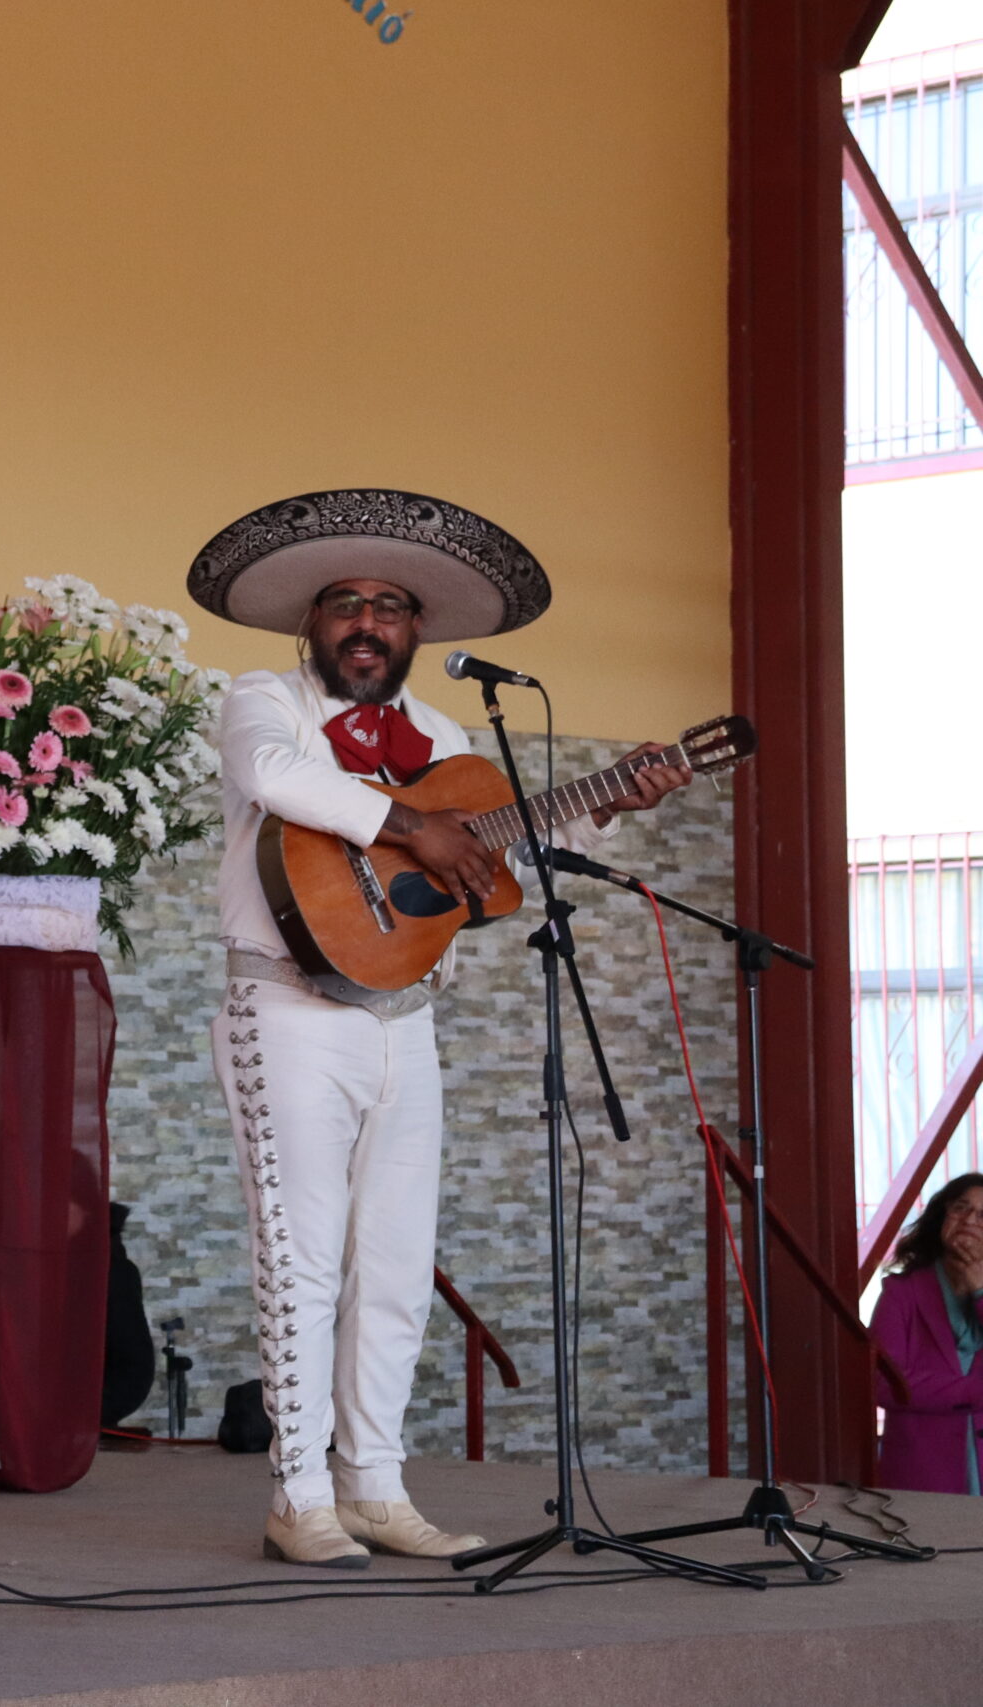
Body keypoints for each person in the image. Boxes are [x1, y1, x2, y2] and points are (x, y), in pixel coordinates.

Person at [184, 490, 694, 1567]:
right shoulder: (262, 698)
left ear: (417, 629)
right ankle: (298, 1496)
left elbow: (496, 849)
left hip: (405, 1019)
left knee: (397, 1264)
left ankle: (374, 1486)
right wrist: (411, 823)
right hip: (284, 1008)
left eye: (389, 607)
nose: (366, 623)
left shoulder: (449, 738)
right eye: (345, 604)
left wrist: (608, 802)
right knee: (301, 1259)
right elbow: (272, 777)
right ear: (311, 622)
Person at [871, 1172, 983, 1495]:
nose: (969, 1220)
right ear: (942, 1217)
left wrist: (980, 1291)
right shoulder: (900, 1292)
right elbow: (884, 1384)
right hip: (922, 1468)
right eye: (960, 1208)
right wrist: (973, 1392)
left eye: (982, 1215)